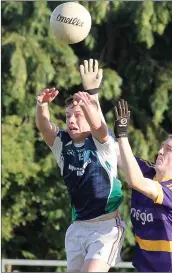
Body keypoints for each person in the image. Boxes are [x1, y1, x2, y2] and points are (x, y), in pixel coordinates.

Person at [35, 60, 125, 272]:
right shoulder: (62, 145)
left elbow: (98, 126)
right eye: (68, 116)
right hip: (77, 228)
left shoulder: (103, 144)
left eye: (77, 115)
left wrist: (90, 97)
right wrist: (42, 105)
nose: (71, 120)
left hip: (106, 229)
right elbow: (44, 126)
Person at [114, 99, 172, 272]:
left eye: (168, 149)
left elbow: (135, 181)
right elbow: (113, 149)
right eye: (161, 147)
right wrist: (92, 98)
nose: (160, 151)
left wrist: (122, 135)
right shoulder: (147, 171)